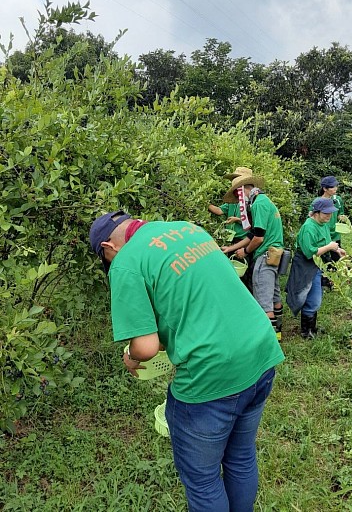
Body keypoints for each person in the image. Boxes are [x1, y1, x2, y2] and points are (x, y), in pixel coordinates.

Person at [89, 210, 285, 512]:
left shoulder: (126, 263)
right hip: (260, 352)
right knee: (241, 456)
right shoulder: (187, 229)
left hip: (211, 375)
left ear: (107, 248)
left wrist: (130, 356)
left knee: (203, 479)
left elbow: (146, 347)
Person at [220, 174, 285, 341]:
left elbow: (258, 238)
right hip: (274, 255)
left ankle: (270, 341)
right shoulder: (264, 201)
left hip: (265, 255)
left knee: (264, 300)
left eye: (236, 195)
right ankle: (278, 332)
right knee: (275, 295)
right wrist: (231, 248)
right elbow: (253, 233)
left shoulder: (259, 204)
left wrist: (246, 252)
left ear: (243, 190)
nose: (238, 199)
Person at [285, 198, 346, 339]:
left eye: (331, 213)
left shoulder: (323, 224)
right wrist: (330, 247)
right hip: (305, 265)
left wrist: (337, 249)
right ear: (316, 213)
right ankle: (306, 332)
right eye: (326, 213)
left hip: (317, 265)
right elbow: (310, 252)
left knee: (314, 298)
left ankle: (311, 329)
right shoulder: (308, 227)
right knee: (302, 295)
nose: (329, 216)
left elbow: (326, 242)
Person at [208, 167, 253, 245]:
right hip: (230, 239)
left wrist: (237, 220)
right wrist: (206, 204)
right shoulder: (233, 200)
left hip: (243, 240)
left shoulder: (251, 200)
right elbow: (219, 210)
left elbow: (253, 223)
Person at [309, 176, 345, 263]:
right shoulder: (317, 202)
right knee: (324, 259)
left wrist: (343, 218)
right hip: (323, 234)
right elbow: (311, 217)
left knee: (336, 260)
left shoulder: (337, 199)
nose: (335, 188)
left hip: (335, 234)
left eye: (336, 186)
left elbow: (340, 214)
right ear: (325, 188)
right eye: (332, 187)